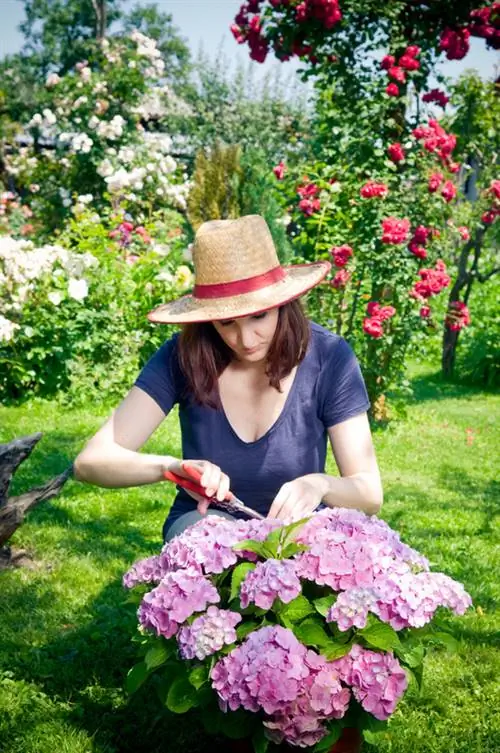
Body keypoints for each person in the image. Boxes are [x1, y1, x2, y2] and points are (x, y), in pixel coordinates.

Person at [74, 214, 383, 541]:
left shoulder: (329, 357)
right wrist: (172, 468)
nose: (246, 339)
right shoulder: (182, 357)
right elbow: (91, 461)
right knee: (214, 546)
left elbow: (369, 493)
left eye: (259, 316)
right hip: (207, 527)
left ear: (283, 303)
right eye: (226, 323)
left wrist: (319, 483)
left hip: (297, 531)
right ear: (208, 319)